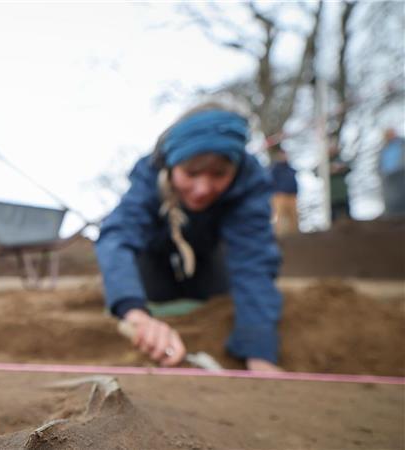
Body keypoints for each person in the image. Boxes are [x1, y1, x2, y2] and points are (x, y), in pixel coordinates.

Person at [95, 103, 283, 372]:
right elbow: (117, 236)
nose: (203, 189)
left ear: (235, 168)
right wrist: (136, 314)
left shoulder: (250, 182)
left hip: (208, 253)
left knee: (222, 296)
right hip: (154, 253)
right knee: (147, 291)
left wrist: (260, 352)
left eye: (219, 174)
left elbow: (254, 260)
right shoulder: (149, 173)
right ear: (171, 167)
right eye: (191, 173)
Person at [268, 144, 299, 235]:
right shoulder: (275, 169)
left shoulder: (290, 169)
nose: (284, 156)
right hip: (280, 196)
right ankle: (279, 236)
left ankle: (295, 236)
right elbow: (270, 182)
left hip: (292, 196)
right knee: (279, 218)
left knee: (294, 218)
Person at [379, 128, 405, 217]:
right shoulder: (384, 148)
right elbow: (380, 163)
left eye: (390, 134)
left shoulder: (402, 144)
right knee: (391, 198)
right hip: (388, 177)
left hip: (401, 174)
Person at [328, 145, 352, 221]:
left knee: (346, 217)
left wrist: (339, 169)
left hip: (342, 195)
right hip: (331, 197)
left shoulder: (340, 160)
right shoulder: (324, 162)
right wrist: (330, 169)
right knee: (333, 219)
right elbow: (316, 172)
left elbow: (349, 168)